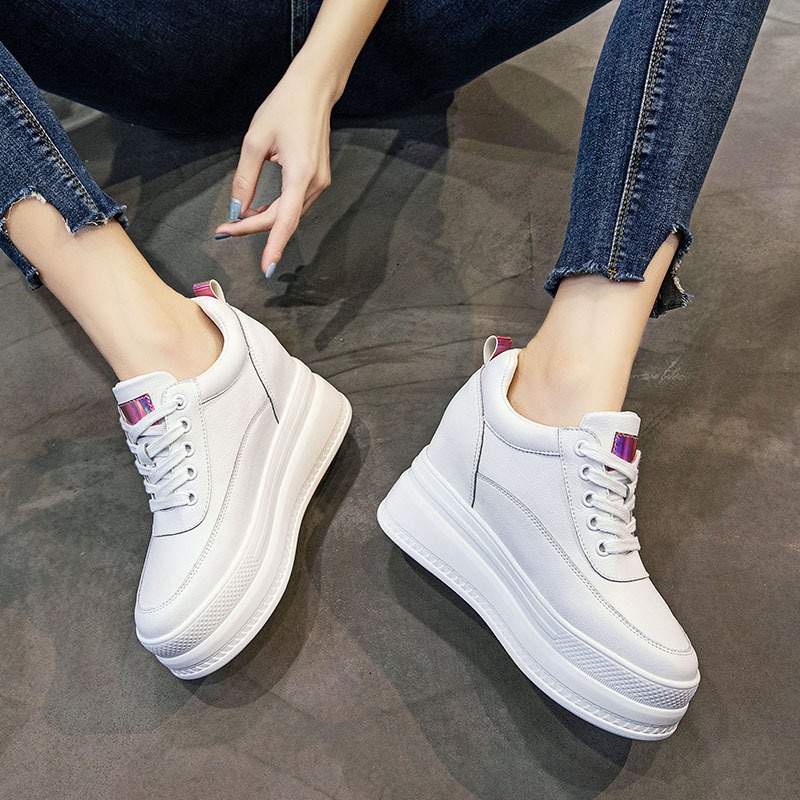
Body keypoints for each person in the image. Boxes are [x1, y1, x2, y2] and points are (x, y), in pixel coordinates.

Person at [0, 0, 769, 739]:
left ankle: (559, 398)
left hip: (399, 30)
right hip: (154, 45)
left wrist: (319, 69)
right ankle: (174, 352)